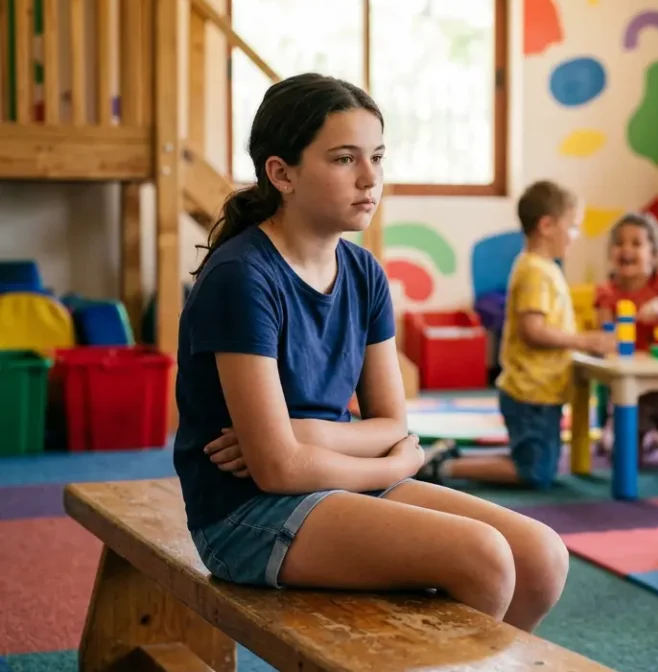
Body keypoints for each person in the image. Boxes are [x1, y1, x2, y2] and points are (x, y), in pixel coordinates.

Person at [175, 73, 568, 633]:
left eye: (377, 158)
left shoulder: (363, 273)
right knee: (484, 557)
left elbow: (391, 420)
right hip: (244, 512)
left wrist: (307, 435)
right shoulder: (242, 277)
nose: (369, 179)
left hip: (338, 479)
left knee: (541, 558)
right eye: (343, 159)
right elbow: (277, 468)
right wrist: (395, 461)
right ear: (281, 173)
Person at [428, 181, 614, 488]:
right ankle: (448, 468)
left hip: (541, 390)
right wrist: (585, 341)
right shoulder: (535, 271)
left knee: (538, 462)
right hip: (531, 392)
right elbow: (533, 331)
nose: (576, 236)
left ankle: (451, 458)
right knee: (534, 473)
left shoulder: (542, 267)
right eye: (574, 227)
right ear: (547, 226)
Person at [594, 212, 658, 466]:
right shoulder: (607, 291)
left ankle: (656, 434)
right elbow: (606, 338)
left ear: (654, 253)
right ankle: (616, 434)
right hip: (632, 388)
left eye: (636, 243)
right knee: (628, 460)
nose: (626, 249)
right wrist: (618, 333)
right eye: (620, 243)